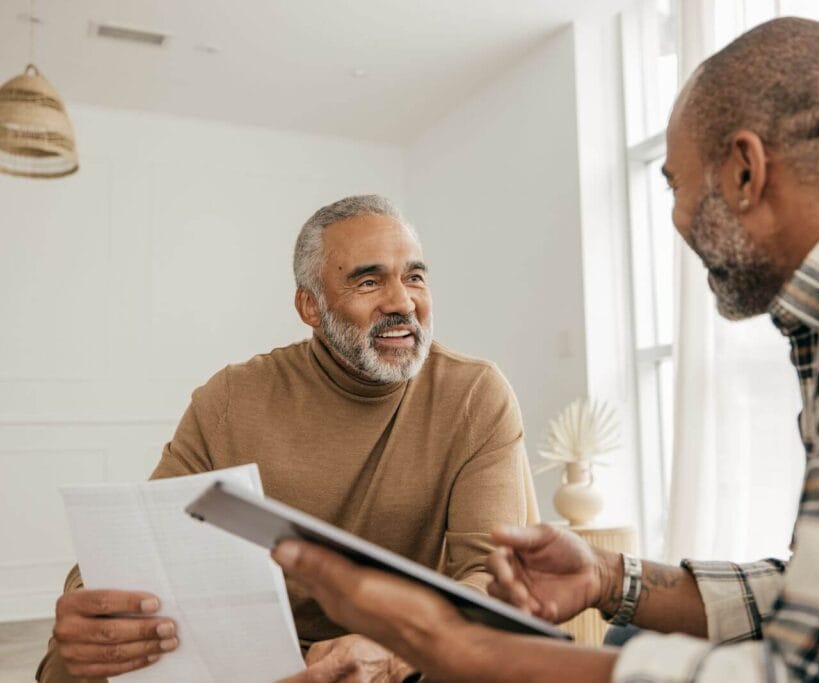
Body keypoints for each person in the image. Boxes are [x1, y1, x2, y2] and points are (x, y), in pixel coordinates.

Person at [267, 17, 819, 682]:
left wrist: (456, 646)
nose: (677, 217)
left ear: (744, 169)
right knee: (631, 626)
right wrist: (609, 576)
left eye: (673, 184)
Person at [36, 195, 539, 683]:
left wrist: (396, 650)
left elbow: (491, 578)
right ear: (311, 306)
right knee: (72, 659)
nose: (402, 302)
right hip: (263, 651)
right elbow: (141, 539)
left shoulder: (474, 393)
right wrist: (88, 604)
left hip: (407, 644)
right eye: (369, 280)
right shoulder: (232, 397)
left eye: (415, 277)